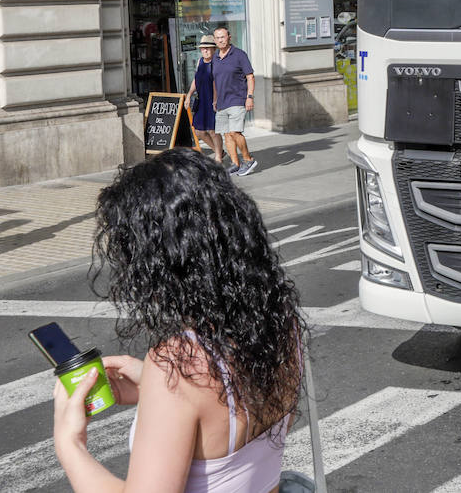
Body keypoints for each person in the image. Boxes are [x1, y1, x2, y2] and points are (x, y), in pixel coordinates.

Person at [52, 149, 305, 492]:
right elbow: (232, 410)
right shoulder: (279, 319)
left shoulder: (177, 364)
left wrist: (70, 445)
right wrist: (150, 389)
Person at [211, 26, 257, 175]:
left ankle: (248, 160)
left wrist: (249, 97)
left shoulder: (239, 55)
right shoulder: (215, 58)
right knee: (226, 134)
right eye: (217, 38)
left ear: (229, 37)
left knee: (234, 132)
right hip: (222, 102)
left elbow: (250, 76)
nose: (220, 40)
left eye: (223, 37)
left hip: (237, 99)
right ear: (214, 40)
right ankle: (235, 163)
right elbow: (215, 81)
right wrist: (215, 100)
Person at [184, 35, 223, 166]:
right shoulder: (200, 61)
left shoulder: (217, 62)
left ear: (213, 49)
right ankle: (219, 151)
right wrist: (189, 94)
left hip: (213, 100)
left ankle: (218, 157)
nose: (205, 50)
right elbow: (196, 79)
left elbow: (217, 83)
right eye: (203, 48)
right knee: (199, 131)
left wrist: (216, 101)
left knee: (212, 130)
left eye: (208, 48)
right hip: (202, 100)